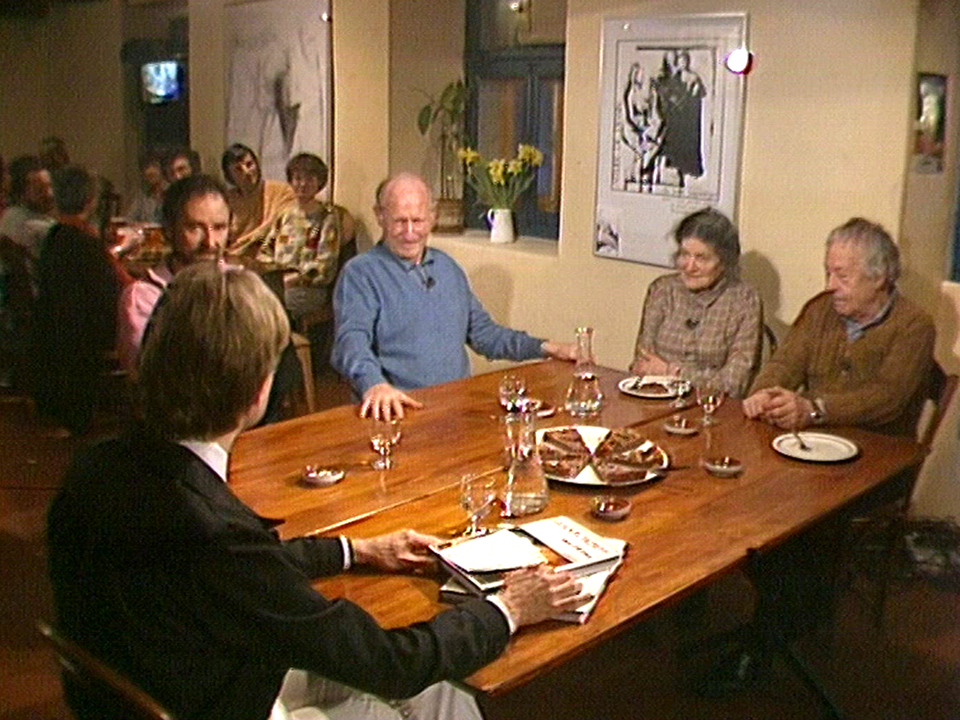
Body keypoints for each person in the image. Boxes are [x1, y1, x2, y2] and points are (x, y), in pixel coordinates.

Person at [48, 261, 586, 720]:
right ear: (258, 392)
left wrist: (356, 549)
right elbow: (390, 664)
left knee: (438, 696)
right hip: (222, 696)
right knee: (428, 693)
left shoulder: (98, 466)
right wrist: (509, 609)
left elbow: (229, 574)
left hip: (155, 681)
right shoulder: (212, 532)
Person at [332, 173, 577, 419]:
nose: (409, 232)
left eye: (417, 221)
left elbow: (485, 335)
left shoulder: (447, 267)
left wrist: (547, 348)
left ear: (432, 217)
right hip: (398, 411)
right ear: (380, 216)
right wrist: (374, 384)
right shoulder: (361, 273)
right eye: (399, 221)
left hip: (456, 410)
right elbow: (350, 342)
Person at [116, 174, 301, 425]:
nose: (210, 242)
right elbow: (151, 380)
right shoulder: (144, 296)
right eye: (194, 228)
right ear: (169, 229)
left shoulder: (244, 286)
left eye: (219, 227)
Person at [743, 217, 935, 436]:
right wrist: (764, 395)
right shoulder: (819, 309)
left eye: (842, 276)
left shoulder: (914, 325)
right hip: (813, 441)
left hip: (880, 451)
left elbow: (888, 397)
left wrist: (814, 409)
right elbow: (785, 364)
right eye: (828, 273)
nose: (830, 285)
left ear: (878, 278)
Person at [630, 207, 762, 398]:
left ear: (724, 262)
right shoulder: (662, 290)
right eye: (684, 255)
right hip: (656, 398)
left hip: (713, 406)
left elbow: (735, 383)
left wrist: (673, 372)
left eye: (702, 258)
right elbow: (642, 364)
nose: (689, 267)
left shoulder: (744, 301)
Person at [33, 165, 125, 434]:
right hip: (86, 335)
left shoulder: (54, 237)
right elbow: (108, 296)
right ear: (90, 201)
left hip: (56, 330)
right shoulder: (84, 244)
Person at [258, 152, 355, 323]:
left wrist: (296, 278)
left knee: (270, 307)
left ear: (319, 182)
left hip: (307, 289)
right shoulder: (285, 214)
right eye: (297, 178)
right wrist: (270, 272)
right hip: (278, 281)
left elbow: (325, 266)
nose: (302, 184)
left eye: (309, 179)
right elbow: (265, 249)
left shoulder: (327, 216)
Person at [221, 143, 295, 256]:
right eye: (238, 169)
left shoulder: (282, 191)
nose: (247, 172)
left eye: (249, 164)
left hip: (271, 255)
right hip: (234, 258)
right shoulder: (226, 200)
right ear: (229, 175)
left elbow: (285, 225)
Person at [0, 155, 56, 269]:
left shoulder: (9, 215)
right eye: (40, 189)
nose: (50, 194)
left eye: (49, 186)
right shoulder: (36, 229)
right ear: (21, 193)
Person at [124, 151, 167, 223]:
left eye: (154, 166)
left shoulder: (173, 192)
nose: (150, 171)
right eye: (146, 168)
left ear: (163, 169)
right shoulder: (142, 195)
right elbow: (129, 218)